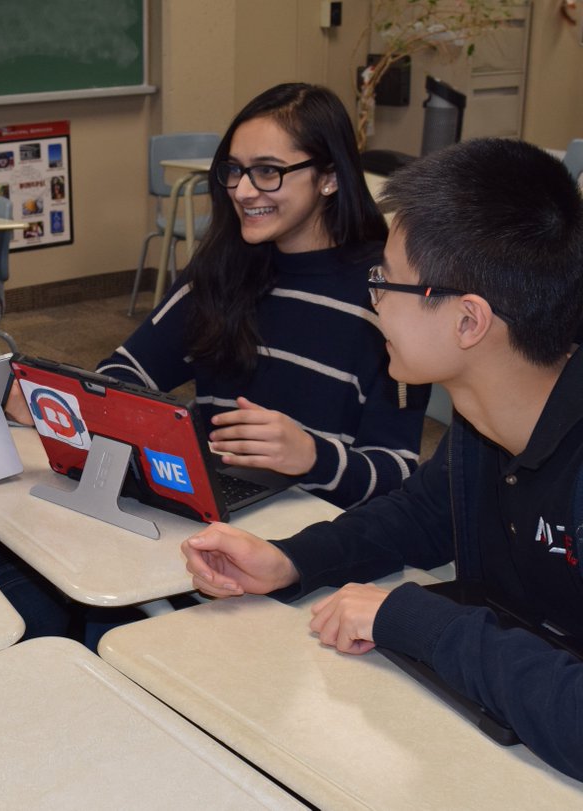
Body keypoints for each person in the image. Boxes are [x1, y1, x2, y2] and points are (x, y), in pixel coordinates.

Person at [182, 137, 583, 781]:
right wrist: (291, 560)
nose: (372, 304)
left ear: (468, 322)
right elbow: (421, 516)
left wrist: (413, 617)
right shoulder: (488, 414)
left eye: (385, 282)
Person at [97, 83, 428, 509]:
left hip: (323, 541)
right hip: (213, 515)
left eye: (268, 171)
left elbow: (398, 475)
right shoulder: (223, 270)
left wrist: (312, 456)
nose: (243, 191)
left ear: (328, 178)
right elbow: (123, 374)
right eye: (235, 170)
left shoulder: (386, 294)